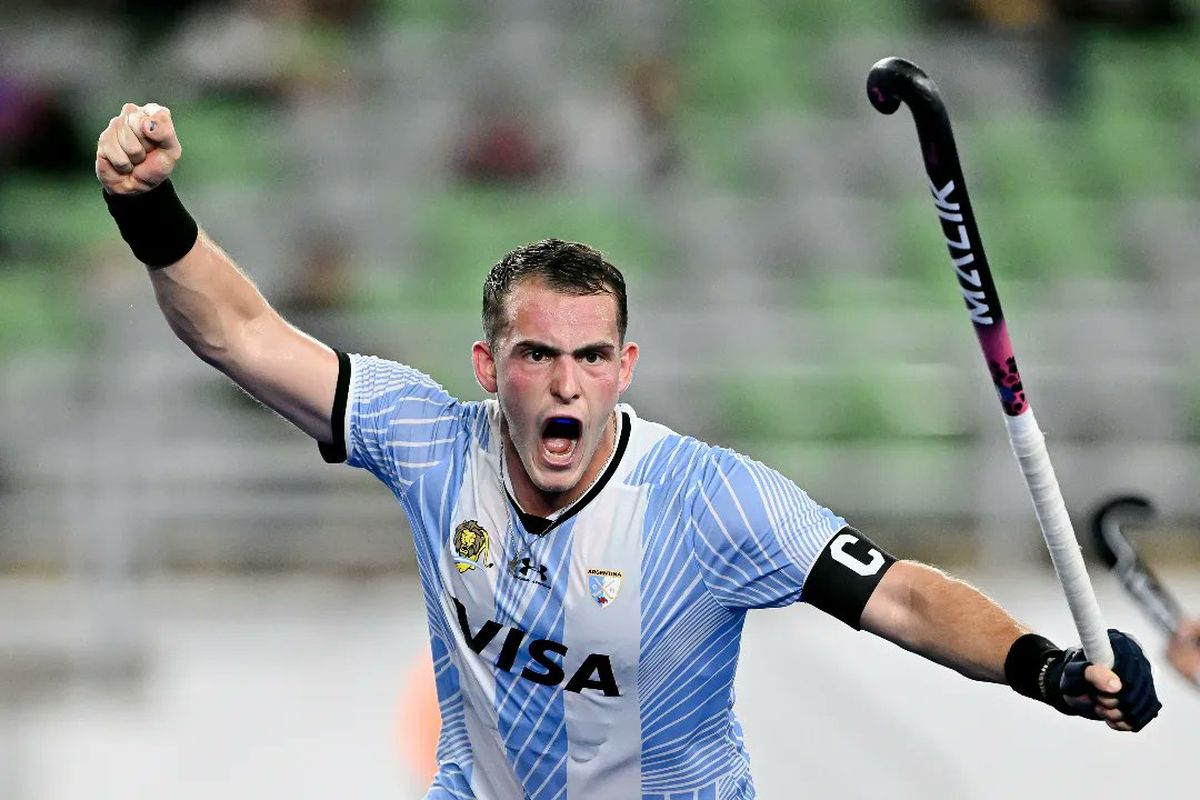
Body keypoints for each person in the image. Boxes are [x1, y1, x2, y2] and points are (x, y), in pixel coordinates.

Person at [95, 102, 1161, 799]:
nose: (566, 383)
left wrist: (1044, 667)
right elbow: (240, 334)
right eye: (537, 355)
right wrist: (150, 210)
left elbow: (906, 597)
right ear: (488, 365)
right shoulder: (427, 440)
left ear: (625, 366)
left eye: (591, 356)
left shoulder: (710, 500)